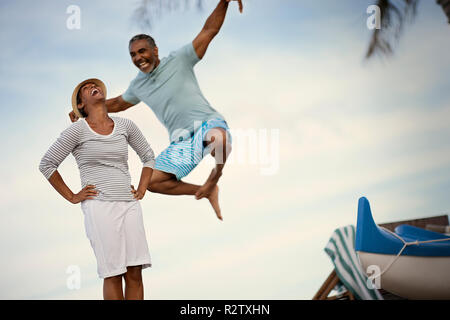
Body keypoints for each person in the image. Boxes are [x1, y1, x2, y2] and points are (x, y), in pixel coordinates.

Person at [69, 0, 244, 221]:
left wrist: (224, 2)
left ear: (155, 50)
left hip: (208, 123)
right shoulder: (138, 86)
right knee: (152, 181)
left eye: (142, 51)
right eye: (133, 55)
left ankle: (214, 178)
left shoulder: (180, 59)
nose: (138, 58)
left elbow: (209, 30)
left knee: (219, 140)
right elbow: (118, 104)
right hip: (181, 141)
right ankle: (205, 190)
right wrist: (82, 111)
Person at [40, 78, 155, 300]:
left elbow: (148, 156)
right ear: (81, 105)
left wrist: (142, 188)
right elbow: (47, 164)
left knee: (134, 272)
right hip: (99, 206)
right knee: (113, 273)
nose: (93, 87)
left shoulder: (126, 126)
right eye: (85, 88)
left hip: (129, 205)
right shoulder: (76, 131)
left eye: (95, 85)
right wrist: (72, 196)